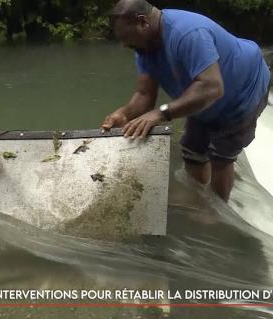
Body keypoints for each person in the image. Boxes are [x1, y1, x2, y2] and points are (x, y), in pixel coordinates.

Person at [101, 0, 271, 202]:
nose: (124, 45)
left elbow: (212, 88)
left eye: (126, 37)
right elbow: (145, 95)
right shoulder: (144, 48)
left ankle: (216, 209)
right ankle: (197, 197)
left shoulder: (188, 34)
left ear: (142, 22)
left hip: (245, 87)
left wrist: (161, 113)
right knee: (192, 149)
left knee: (221, 156)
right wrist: (125, 113)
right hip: (203, 90)